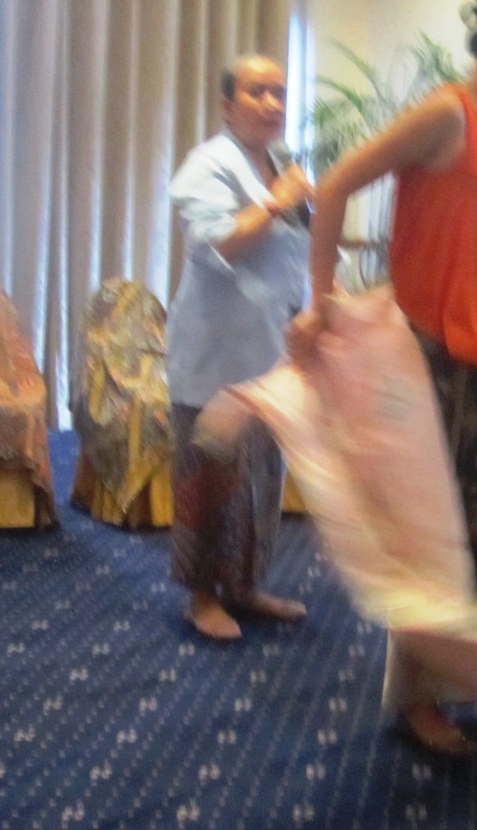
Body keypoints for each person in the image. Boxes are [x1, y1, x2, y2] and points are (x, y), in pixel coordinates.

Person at [290, 0, 477, 754]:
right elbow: (336, 184)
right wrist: (319, 300)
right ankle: (419, 700)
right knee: (440, 538)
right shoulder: (444, 114)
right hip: (446, 365)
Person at [167, 54, 312, 640]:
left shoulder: (282, 162)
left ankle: (246, 586)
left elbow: (295, 251)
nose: (273, 103)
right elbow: (221, 244)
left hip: (271, 352)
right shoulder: (208, 164)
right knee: (210, 476)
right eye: (257, 92)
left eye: (280, 92)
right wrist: (276, 200)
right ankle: (203, 598)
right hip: (215, 352)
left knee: (261, 479)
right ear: (227, 105)